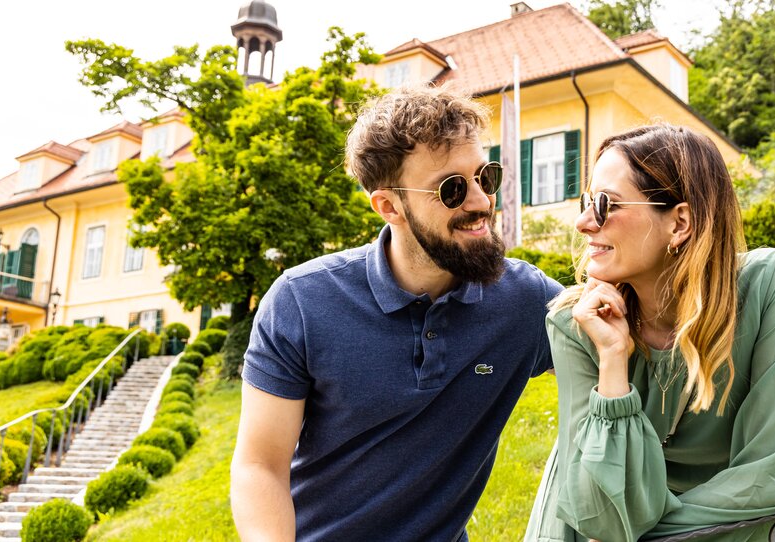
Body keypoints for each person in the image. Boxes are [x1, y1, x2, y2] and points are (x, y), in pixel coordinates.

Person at [230, 85, 563, 541]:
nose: (482, 201)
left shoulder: (525, 300)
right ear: (389, 206)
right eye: (452, 189)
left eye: (485, 177)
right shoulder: (300, 302)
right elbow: (259, 465)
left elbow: (633, 346)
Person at [525, 125, 775, 542]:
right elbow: (599, 513)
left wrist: (640, 536)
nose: (584, 222)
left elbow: (773, 477)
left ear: (679, 223)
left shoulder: (766, 287)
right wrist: (613, 359)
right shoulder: (577, 324)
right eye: (587, 202)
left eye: (606, 204)